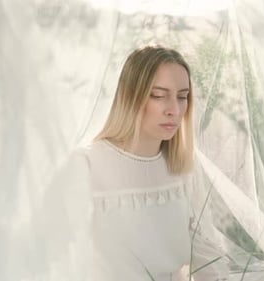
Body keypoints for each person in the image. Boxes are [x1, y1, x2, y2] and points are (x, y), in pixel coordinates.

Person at [43, 45, 229, 281]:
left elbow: (206, 257)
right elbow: (51, 257)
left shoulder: (182, 167)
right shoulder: (85, 165)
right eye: (159, 96)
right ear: (131, 96)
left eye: (182, 97)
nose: (174, 109)